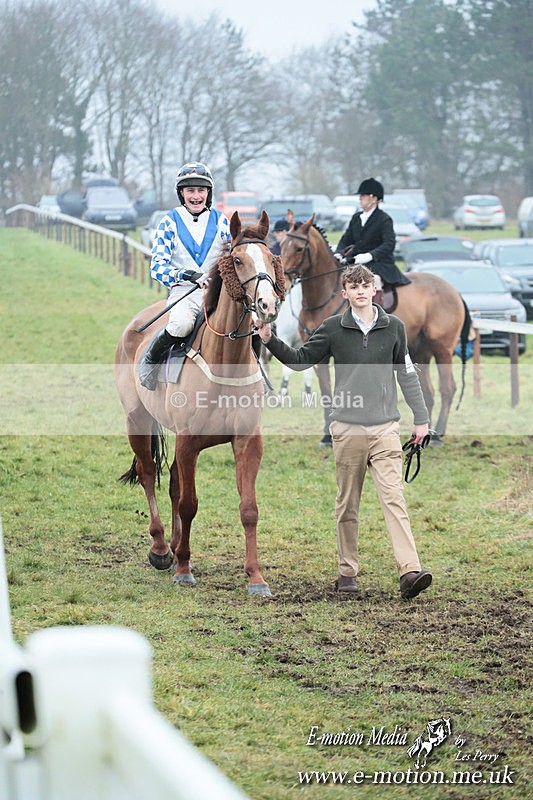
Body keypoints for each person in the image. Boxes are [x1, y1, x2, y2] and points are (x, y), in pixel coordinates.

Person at [255, 263, 432, 600]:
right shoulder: (333, 328)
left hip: (386, 429)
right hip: (347, 429)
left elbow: (407, 374)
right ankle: (347, 573)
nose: (361, 291)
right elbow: (299, 359)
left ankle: (409, 571)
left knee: (395, 499)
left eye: (366, 285)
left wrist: (421, 420)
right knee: (347, 505)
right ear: (346, 293)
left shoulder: (394, 327)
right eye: (354, 286)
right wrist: (270, 339)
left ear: (374, 289)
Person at [139, 162, 232, 390]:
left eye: (201, 190)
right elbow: (157, 267)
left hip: (218, 294)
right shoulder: (169, 222)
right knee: (181, 325)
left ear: (208, 193)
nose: (196, 196)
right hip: (185, 293)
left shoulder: (221, 221)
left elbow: (232, 259)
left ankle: (257, 374)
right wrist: (188, 275)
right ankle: (151, 360)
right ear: (181, 193)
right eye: (190, 190)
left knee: (245, 322)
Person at [335, 177, 410, 306]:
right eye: (360, 195)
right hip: (356, 262)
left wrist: (368, 256)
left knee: (373, 280)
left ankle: (375, 317)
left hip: (379, 264)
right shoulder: (356, 217)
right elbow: (346, 239)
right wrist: (339, 253)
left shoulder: (384, 219)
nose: (360, 198)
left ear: (374, 198)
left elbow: (389, 244)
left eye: (363, 195)